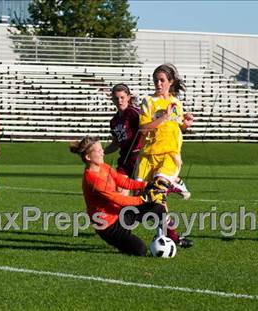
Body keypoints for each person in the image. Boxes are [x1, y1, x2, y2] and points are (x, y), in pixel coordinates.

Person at [70, 136, 168, 256]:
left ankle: (162, 239)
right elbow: (118, 199)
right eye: (98, 150)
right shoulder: (92, 179)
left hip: (120, 214)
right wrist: (144, 198)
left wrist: (147, 185)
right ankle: (122, 242)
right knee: (141, 250)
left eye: (102, 149)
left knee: (158, 207)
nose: (102, 152)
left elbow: (124, 182)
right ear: (88, 157)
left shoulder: (104, 167)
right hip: (109, 227)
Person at [137, 63, 194, 247]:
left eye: (162, 80)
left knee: (159, 188)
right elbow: (143, 128)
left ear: (171, 82)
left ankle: (162, 239)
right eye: (156, 80)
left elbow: (177, 128)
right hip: (148, 157)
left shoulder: (176, 103)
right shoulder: (149, 102)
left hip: (170, 155)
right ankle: (173, 237)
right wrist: (163, 117)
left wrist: (186, 124)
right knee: (150, 202)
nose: (158, 84)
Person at [104, 84, 142, 194]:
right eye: (116, 98)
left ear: (128, 98)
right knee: (120, 192)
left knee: (138, 193)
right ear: (112, 99)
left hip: (137, 157)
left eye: (122, 97)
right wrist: (102, 151)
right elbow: (115, 144)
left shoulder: (133, 113)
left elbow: (146, 129)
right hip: (124, 159)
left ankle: (176, 182)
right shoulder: (114, 121)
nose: (119, 101)